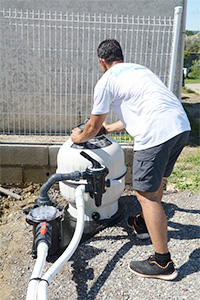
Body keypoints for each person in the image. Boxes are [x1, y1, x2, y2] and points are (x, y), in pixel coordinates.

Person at [71, 39, 191, 280]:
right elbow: (135, 114)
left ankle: (162, 262)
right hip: (180, 127)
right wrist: (108, 129)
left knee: (144, 194)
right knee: (155, 184)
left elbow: (92, 125)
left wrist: (79, 137)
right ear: (121, 57)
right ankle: (146, 225)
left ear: (102, 62)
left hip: (156, 134)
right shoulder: (139, 70)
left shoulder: (106, 80)